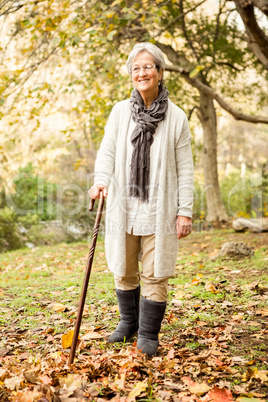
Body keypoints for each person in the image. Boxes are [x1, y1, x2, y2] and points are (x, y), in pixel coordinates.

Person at [89, 42, 194, 357]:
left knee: (155, 271)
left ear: (160, 72)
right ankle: (127, 324)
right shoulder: (121, 112)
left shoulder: (176, 118)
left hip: (159, 209)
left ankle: (147, 334)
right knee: (123, 268)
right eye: (136, 68)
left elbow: (186, 169)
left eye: (148, 66)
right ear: (130, 75)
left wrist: (184, 212)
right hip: (125, 205)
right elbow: (107, 151)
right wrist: (100, 181)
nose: (141, 72)